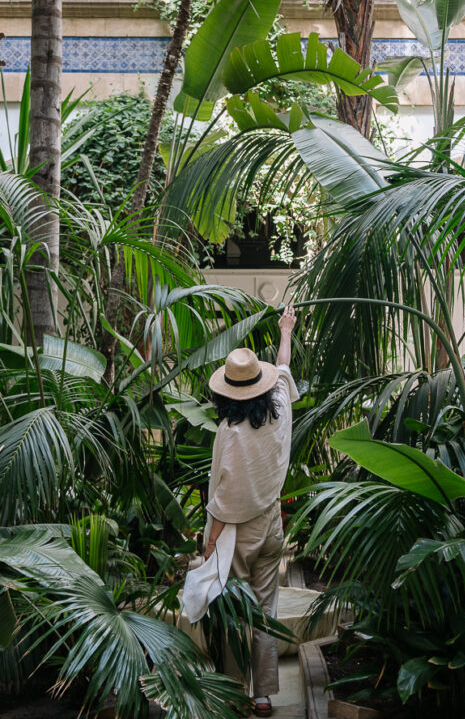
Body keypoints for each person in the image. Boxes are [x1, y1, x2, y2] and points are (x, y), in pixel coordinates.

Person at [203, 304, 298, 719]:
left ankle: (234, 692)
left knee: (232, 612)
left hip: (233, 535)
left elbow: (223, 496)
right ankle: (263, 697)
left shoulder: (229, 433)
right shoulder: (280, 409)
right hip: (271, 526)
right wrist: (286, 330)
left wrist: (209, 543)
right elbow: (284, 368)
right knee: (265, 610)